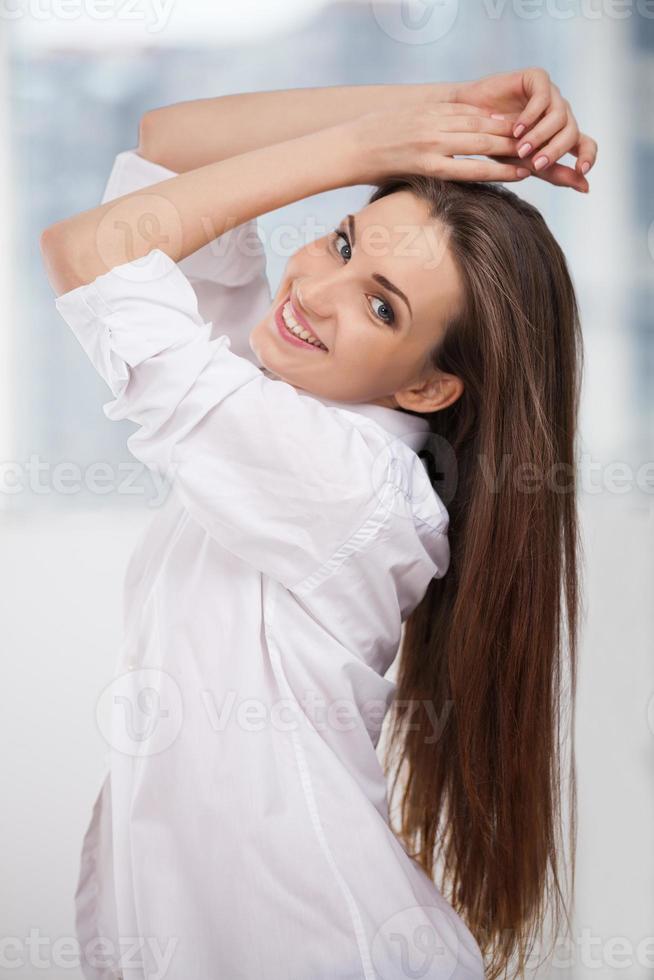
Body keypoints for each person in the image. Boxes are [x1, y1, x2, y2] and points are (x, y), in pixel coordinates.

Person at [40, 70, 596, 980]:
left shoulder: (349, 484)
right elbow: (164, 144)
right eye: (340, 242)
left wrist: (361, 155)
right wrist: (434, 115)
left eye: (382, 305)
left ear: (425, 385)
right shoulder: (284, 393)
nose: (317, 288)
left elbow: (88, 254)